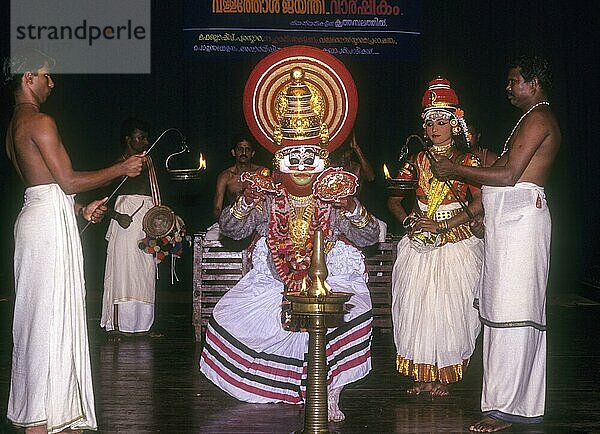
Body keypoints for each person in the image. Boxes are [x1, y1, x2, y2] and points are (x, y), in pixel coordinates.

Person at [199, 50, 379, 423]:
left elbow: (370, 237)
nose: (299, 165)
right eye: (291, 156)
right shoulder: (266, 194)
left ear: (322, 157)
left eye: (308, 156)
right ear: (279, 156)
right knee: (229, 314)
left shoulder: (334, 193)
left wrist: (350, 208)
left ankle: (331, 391)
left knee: (350, 313)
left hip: (329, 278)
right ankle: (278, 386)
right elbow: (231, 232)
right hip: (276, 278)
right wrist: (245, 203)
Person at [3, 49, 143, 433]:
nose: (53, 82)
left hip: (41, 216)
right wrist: (122, 168)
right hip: (45, 226)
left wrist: (79, 209)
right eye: (47, 76)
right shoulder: (40, 120)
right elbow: (65, 180)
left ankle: (43, 412)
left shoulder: (15, 124)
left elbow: (46, 187)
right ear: (28, 76)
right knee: (46, 320)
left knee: (41, 318)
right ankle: (39, 418)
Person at [431, 55, 561, 432]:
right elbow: (499, 161)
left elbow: (507, 175)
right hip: (510, 224)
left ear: (533, 82)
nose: (508, 87)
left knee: (512, 315)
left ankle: (504, 408)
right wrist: (468, 151)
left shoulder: (538, 118)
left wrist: (456, 169)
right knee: (503, 313)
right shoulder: (530, 118)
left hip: (521, 223)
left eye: (513, 80)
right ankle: (514, 404)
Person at [387, 77, 484, 397]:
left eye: (442, 122)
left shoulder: (467, 161)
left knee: (450, 309)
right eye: (430, 123)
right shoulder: (415, 161)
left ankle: (444, 376)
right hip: (420, 241)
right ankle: (422, 373)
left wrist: (442, 227)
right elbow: (394, 200)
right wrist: (410, 220)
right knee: (418, 308)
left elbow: (479, 203)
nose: (434, 129)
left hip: (455, 240)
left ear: (455, 125)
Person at [100, 118, 161, 337]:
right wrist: (117, 215)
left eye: (146, 137)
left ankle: (144, 325)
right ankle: (120, 325)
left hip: (148, 221)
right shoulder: (119, 164)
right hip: (125, 222)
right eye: (140, 137)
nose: (145, 141)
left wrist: (161, 219)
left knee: (145, 272)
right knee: (124, 273)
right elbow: (100, 199)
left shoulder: (149, 163)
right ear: (128, 139)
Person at [204, 133, 266, 245]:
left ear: (253, 153)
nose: (244, 153)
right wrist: (228, 224)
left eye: (247, 149)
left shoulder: (262, 173)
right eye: (240, 149)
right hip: (234, 222)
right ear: (233, 152)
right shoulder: (226, 176)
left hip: (257, 222)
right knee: (210, 236)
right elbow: (217, 209)